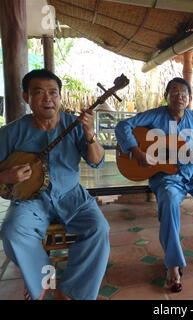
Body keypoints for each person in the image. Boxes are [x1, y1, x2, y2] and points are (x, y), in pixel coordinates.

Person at [115, 77, 193, 293]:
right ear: (167, 97)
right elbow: (123, 125)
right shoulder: (155, 115)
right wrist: (136, 150)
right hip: (167, 178)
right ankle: (173, 264)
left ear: (189, 99)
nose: (179, 96)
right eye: (174, 92)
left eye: (183, 93)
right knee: (169, 201)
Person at [0, 69, 110, 300]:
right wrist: (5, 177)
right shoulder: (10, 133)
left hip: (73, 196)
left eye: (53, 92)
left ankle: (72, 290)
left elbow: (97, 161)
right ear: (26, 97)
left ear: (60, 97)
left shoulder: (75, 125)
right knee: (12, 230)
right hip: (30, 200)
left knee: (98, 229)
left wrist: (89, 134)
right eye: (39, 92)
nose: (47, 98)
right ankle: (42, 280)